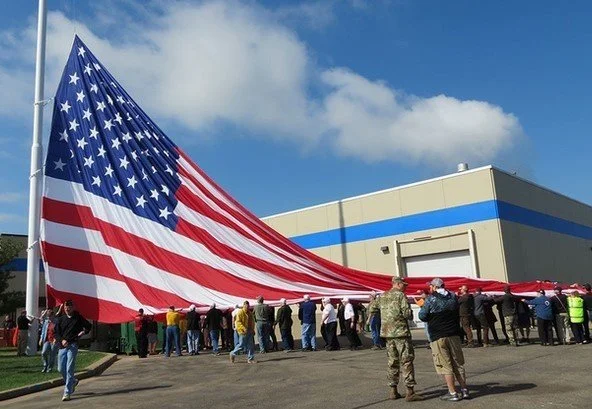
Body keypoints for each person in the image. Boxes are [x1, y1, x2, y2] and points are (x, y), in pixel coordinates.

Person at [419, 278, 470, 402]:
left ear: (435, 287)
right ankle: (464, 390)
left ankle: (452, 392)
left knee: (445, 365)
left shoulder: (431, 299)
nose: (430, 288)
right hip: (454, 334)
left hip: (438, 335)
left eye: (431, 286)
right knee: (458, 363)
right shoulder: (453, 297)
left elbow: (422, 316)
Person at [380, 277, 423, 401]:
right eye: (404, 285)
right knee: (406, 360)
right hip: (401, 333)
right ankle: (410, 392)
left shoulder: (383, 296)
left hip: (388, 334)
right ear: (398, 284)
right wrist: (410, 313)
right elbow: (407, 314)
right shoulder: (401, 296)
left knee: (392, 361)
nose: (405, 287)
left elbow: (372, 308)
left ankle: (393, 391)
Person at [54, 300, 92, 401]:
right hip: (62, 346)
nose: (67, 309)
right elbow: (56, 333)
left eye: (69, 307)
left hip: (73, 345)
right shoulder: (61, 319)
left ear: (73, 307)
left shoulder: (77, 318)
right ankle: (73, 382)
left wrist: (83, 332)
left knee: (69, 368)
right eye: (66, 307)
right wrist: (61, 340)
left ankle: (67, 392)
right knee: (60, 369)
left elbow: (88, 326)